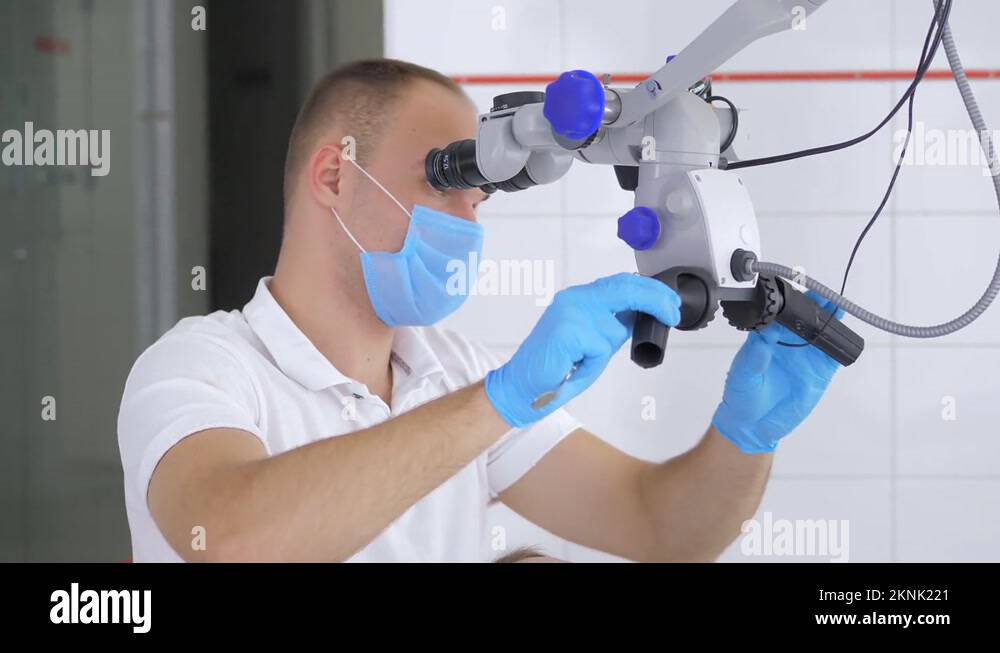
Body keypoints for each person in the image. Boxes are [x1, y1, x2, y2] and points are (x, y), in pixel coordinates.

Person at [117, 58, 844, 563]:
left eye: (480, 192)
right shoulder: (201, 367)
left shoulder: (456, 373)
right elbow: (233, 539)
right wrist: (499, 403)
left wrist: (743, 437)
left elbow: (662, 527)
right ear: (335, 174)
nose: (468, 217)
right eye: (446, 175)